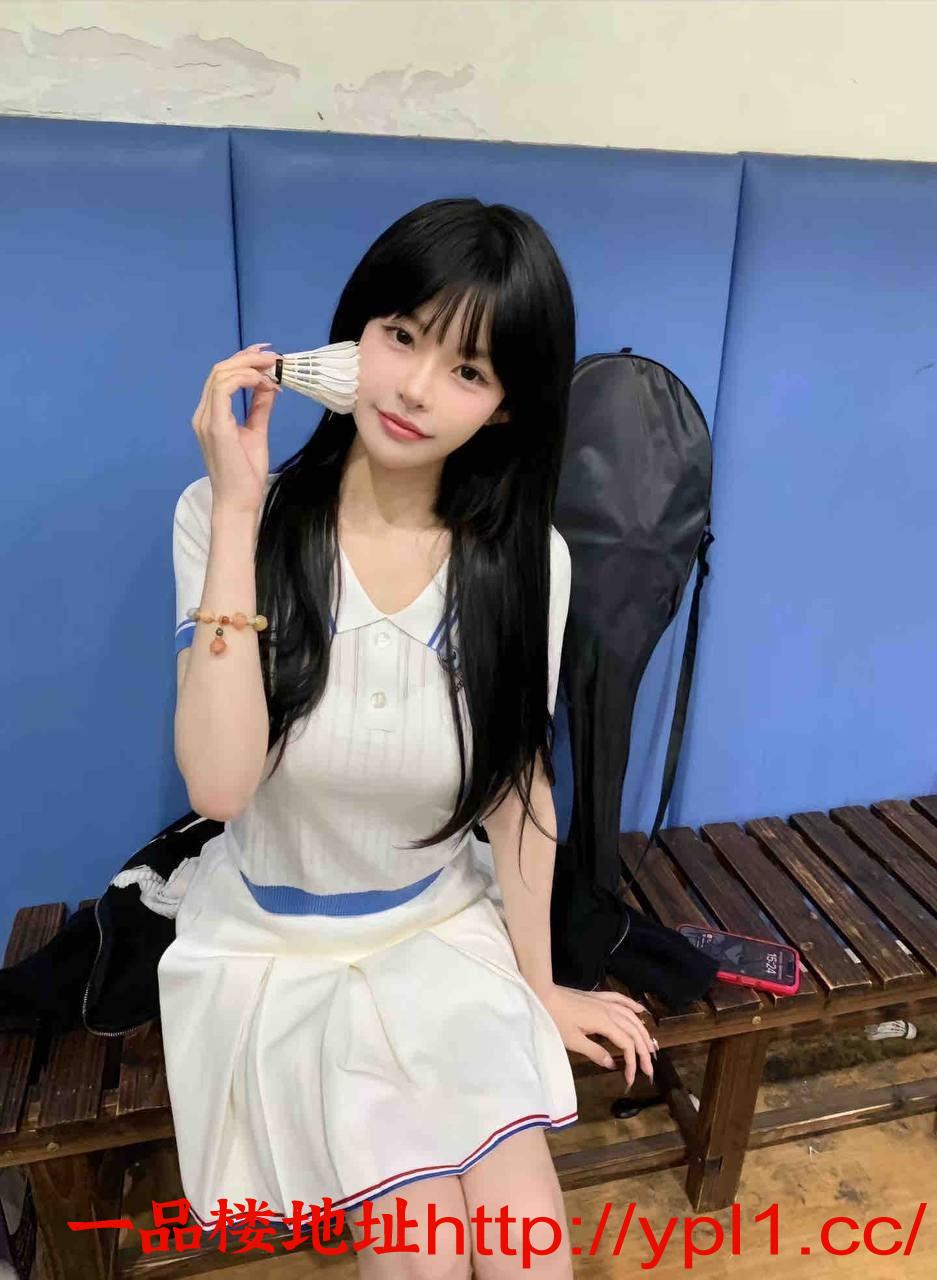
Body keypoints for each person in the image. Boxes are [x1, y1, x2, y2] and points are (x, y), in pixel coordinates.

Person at [158, 196, 656, 1277]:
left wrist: (539, 984)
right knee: (424, 1260)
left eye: (468, 370)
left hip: (437, 932)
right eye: (401, 336)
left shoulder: (525, 562)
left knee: (529, 1261)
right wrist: (239, 512)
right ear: (353, 338)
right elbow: (220, 786)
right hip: (279, 957)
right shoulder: (224, 517)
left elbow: (518, 787)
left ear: (507, 407)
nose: (417, 388)